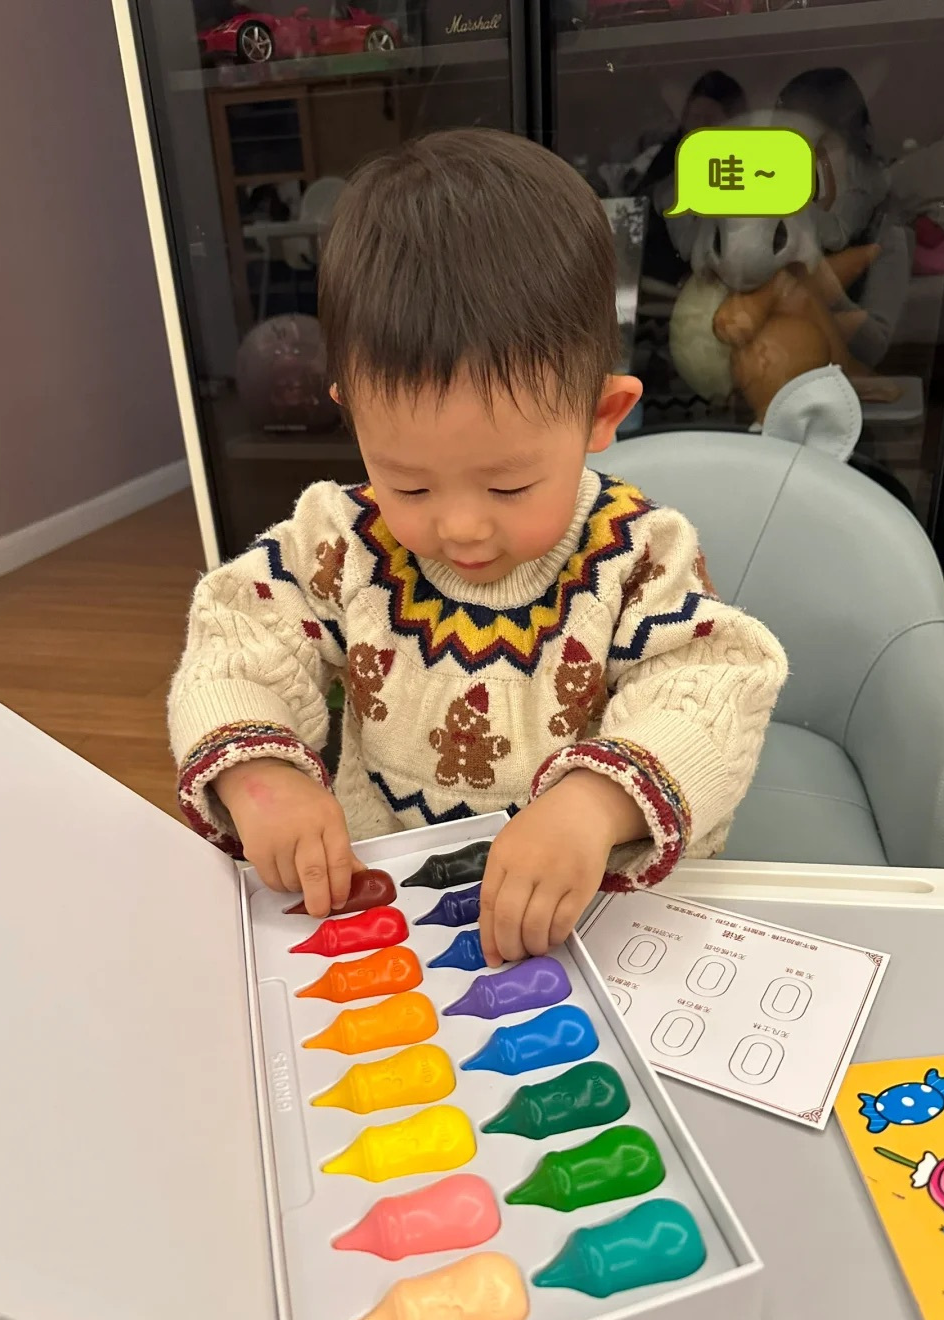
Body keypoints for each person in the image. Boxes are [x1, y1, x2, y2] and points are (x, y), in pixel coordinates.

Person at [169, 129, 787, 966]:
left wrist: (595, 805)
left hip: (582, 919)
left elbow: (710, 688)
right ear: (354, 417)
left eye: (508, 486)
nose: (459, 526)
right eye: (409, 484)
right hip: (384, 901)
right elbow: (236, 641)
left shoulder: (639, 555)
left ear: (601, 415)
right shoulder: (338, 541)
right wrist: (259, 776)